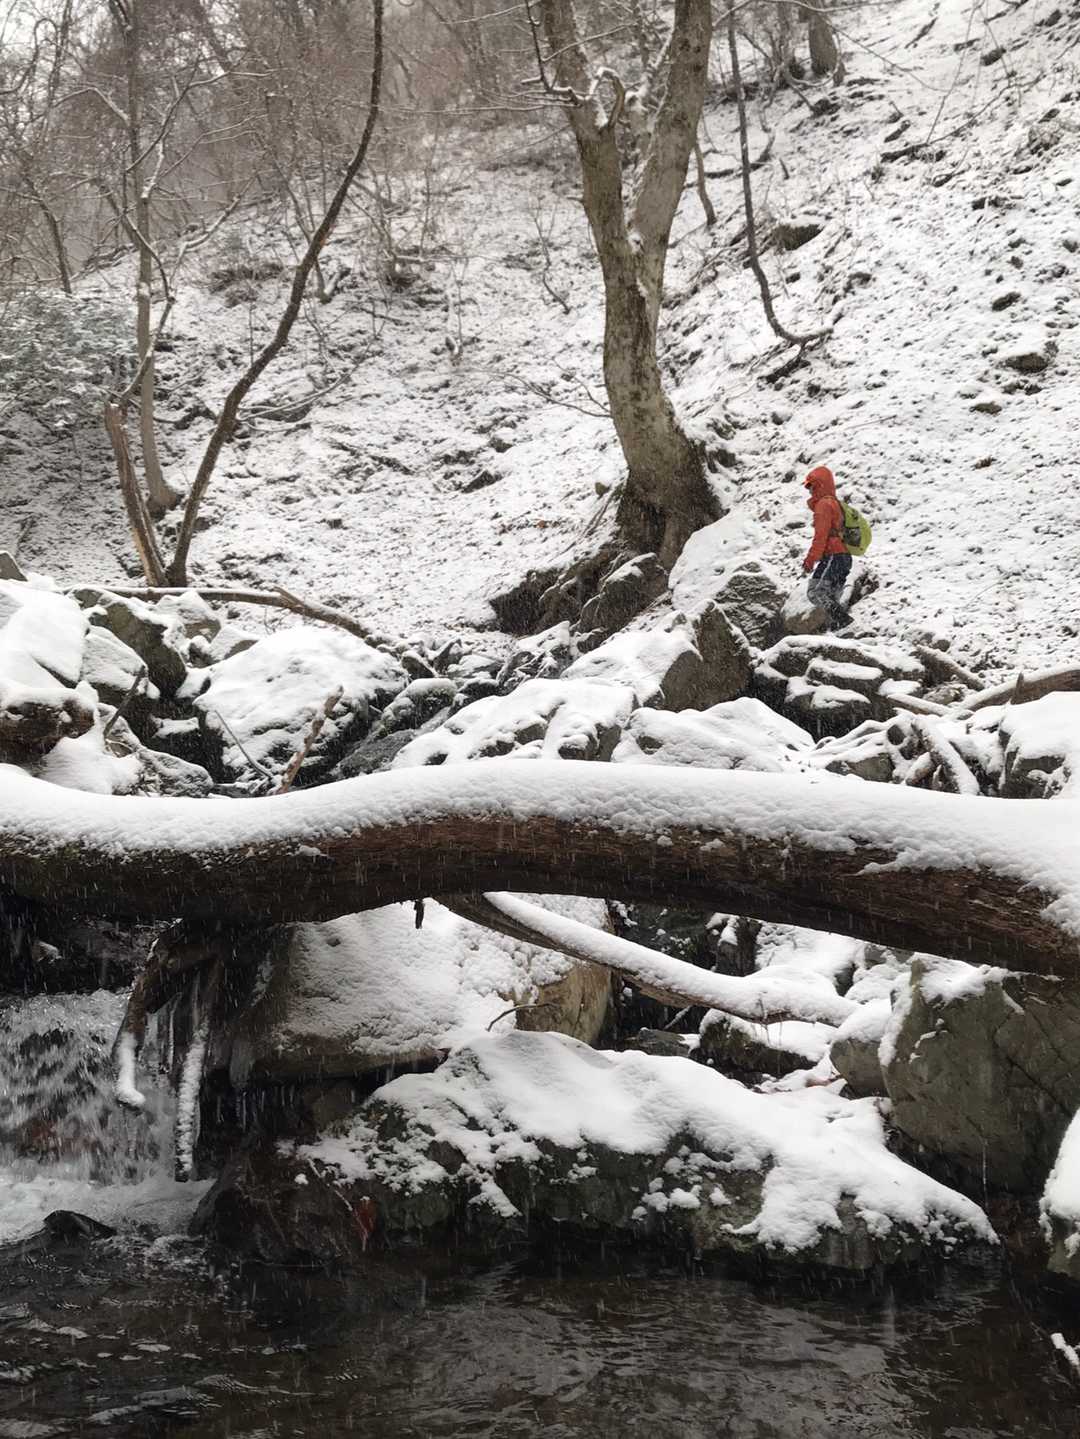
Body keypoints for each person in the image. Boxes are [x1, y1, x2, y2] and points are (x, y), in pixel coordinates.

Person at [802, 465, 852, 632]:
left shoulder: (823, 505)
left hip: (833, 555)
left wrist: (810, 560)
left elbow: (820, 537)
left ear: (820, 485)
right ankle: (842, 629)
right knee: (831, 596)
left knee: (815, 592)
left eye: (811, 486)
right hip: (844, 556)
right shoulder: (835, 503)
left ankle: (845, 622)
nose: (810, 491)